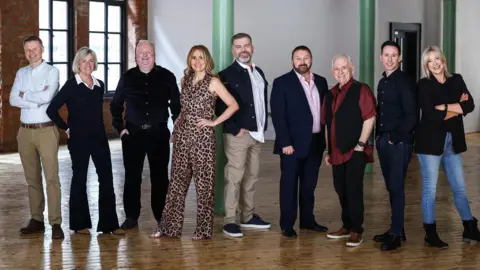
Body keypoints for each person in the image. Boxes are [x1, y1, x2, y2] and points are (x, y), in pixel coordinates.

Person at [152, 45, 239, 240]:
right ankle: (168, 228)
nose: (197, 61)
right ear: (189, 60)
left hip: (203, 140)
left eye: (201, 57)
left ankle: (202, 231)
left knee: (204, 186)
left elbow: (233, 105)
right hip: (182, 138)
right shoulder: (185, 80)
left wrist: (214, 121)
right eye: (193, 58)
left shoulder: (214, 82)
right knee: (176, 185)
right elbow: (184, 109)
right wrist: (176, 127)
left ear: (207, 60)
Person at [46, 47, 125, 235]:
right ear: (78, 64)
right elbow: (51, 110)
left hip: (99, 137)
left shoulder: (99, 85)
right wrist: (66, 128)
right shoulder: (71, 85)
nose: (88, 64)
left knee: (106, 178)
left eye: (91, 61)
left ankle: (109, 225)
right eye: (84, 61)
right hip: (79, 139)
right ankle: (79, 225)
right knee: (79, 178)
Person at [110, 40, 180, 230]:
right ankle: (132, 217)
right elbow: (115, 105)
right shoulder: (127, 78)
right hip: (133, 135)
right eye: (141, 52)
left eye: (149, 52)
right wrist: (120, 128)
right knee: (132, 177)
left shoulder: (167, 76)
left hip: (158, 134)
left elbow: (176, 106)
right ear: (136, 56)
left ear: (154, 55)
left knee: (160, 178)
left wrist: (176, 129)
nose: (145, 56)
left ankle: (161, 216)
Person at [415, 46, 480, 249]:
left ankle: (470, 227)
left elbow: (469, 106)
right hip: (429, 143)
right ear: (426, 65)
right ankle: (430, 232)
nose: (434, 63)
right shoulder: (423, 85)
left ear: (443, 60)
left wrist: (443, 107)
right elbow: (429, 114)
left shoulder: (456, 80)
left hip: (453, 141)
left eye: (437, 58)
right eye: (430, 60)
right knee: (430, 190)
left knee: (459, 187)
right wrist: (456, 108)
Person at [270, 45, 329, 238]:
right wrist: (285, 142)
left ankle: (307, 220)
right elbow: (278, 116)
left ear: (311, 59)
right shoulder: (282, 83)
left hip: (315, 143)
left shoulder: (321, 81)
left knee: (309, 184)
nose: (302, 61)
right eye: (298, 58)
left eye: (306, 57)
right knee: (289, 185)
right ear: (292, 61)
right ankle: (287, 224)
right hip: (291, 145)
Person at [217, 33, 271, 238]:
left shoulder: (259, 72)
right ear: (233, 51)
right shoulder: (226, 75)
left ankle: (247, 217)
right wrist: (234, 127)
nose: (243, 50)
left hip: (257, 134)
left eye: (246, 45)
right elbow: (219, 105)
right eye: (238, 47)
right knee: (234, 177)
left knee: (251, 176)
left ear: (253, 47)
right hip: (238, 135)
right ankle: (230, 220)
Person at [10, 36, 64, 239]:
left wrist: (26, 95)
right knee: (31, 178)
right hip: (24, 132)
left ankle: (56, 223)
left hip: (46, 130)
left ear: (42, 49)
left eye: (35, 49)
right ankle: (36, 219)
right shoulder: (21, 72)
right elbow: (12, 98)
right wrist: (34, 98)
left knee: (51, 178)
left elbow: (47, 98)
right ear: (25, 52)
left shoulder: (52, 71)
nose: (31, 53)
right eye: (28, 50)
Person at [323, 55, 376, 247]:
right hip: (336, 152)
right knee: (341, 189)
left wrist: (360, 146)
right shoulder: (329, 95)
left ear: (351, 68)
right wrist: (328, 151)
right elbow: (328, 125)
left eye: (344, 67)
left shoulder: (361, 89)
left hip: (355, 150)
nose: (341, 72)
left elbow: (369, 118)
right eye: (337, 69)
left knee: (353, 190)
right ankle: (346, 226)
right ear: (332, 72)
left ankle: (356, 230)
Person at [372, 41, 417, 251]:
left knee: (397, 187)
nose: (390, 59)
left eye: (394, 55)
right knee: (391, 186)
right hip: (384, 140)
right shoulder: (382, 82)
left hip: (398, 142)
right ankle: (395, 228)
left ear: (399, 58)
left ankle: (397, 234)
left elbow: (412, 116)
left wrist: (395, 138)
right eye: (386, 55)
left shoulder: (404, 81)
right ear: (381, 57)